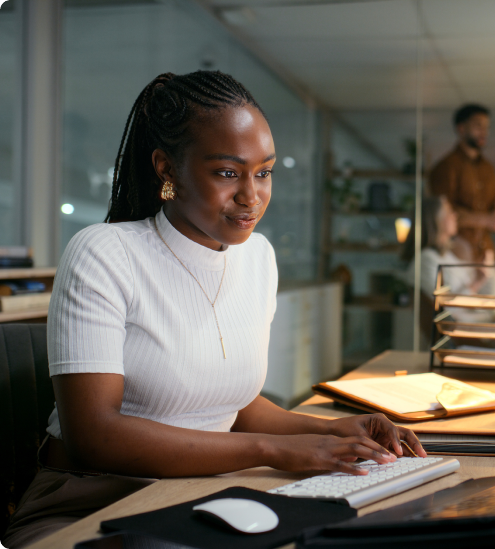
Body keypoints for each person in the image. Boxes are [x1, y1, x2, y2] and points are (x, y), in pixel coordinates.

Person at [2, 70, 425, 548]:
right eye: (228, 173)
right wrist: (274, 452)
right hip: (92, 501)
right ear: (167, 168)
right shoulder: (104, 253)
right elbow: (94, 435)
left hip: (206, 492)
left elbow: (230, 407)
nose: (251, 196)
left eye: (263, 172)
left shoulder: (259, 258)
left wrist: (334, 431)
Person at [429, 104, 495, 262]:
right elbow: (443, 214)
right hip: (456, 253)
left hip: (486, 252)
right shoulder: (445, 167)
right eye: (478, 125)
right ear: (461, 128)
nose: (484, 132)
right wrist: (488, 220)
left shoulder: (489, 169)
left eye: (487, 127)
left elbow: (492, 214)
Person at [401, 196, 495, 300]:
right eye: (448, 211)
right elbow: (446, 306)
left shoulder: (446, 255)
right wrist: (478, 281)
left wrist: (481, 268)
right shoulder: (425, 260)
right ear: (436, 219)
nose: (454, 215)